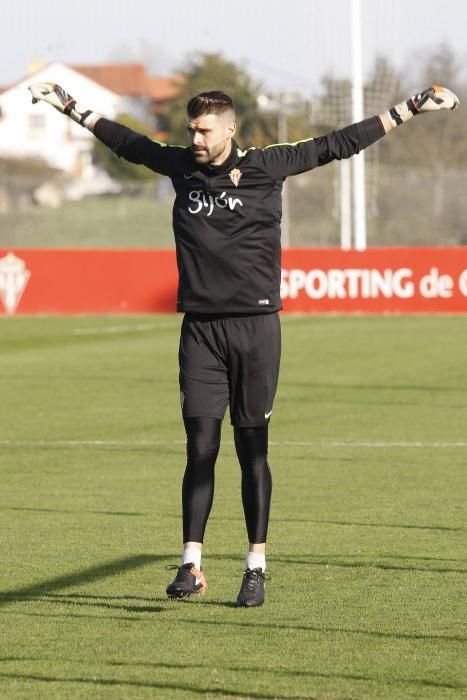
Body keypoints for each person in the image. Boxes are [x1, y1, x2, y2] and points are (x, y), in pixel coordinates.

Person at [29, 80, 459, 607]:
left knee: (251, 451)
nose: (196, 140)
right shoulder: (179, 167)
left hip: (256, 330)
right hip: (201, 333)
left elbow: (338, 143)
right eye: (191, 130)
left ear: (229, 129)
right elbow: (124, 141)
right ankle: (191, 564)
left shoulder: (267, 165)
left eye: (205, 131)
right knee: (201, 449)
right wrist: (65, 102)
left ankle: (255, 566)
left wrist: (411, 106)